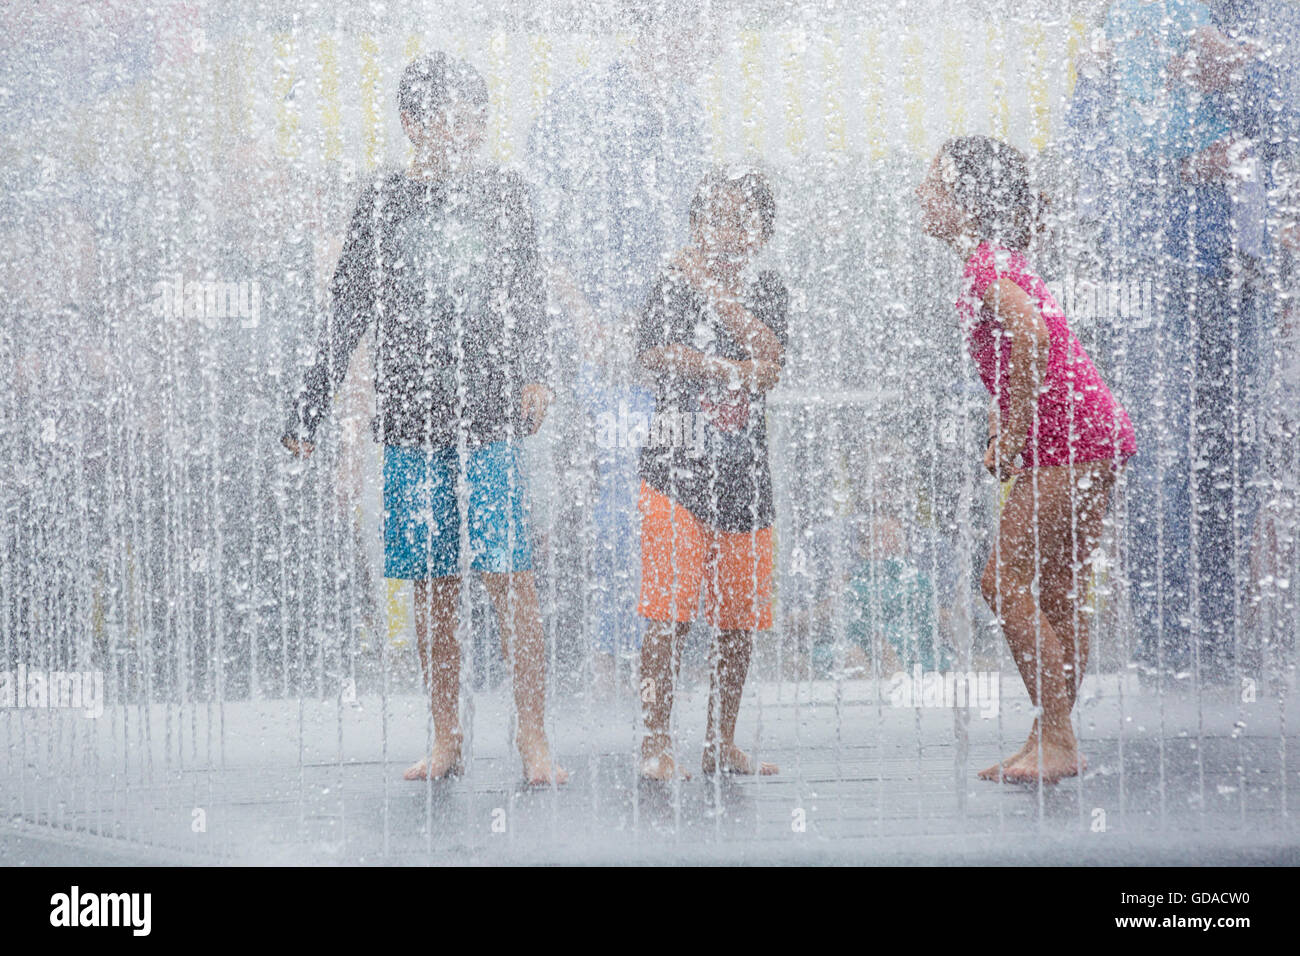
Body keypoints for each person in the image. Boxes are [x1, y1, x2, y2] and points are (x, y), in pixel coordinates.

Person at [282, 52, 566, 786]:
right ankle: (447, 737)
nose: (465, 128)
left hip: (493, 411)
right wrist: (310, 404)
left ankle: (533, 739)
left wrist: (537, 371)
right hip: (410, 420)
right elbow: (347, 309)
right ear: (413, 122)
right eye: (449, 113)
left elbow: (528, 289)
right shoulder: (382, 202)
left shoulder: (504, 194)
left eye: (475, 114)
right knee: (434, 582)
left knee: (511, 575)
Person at [916, 136, 1138, 784]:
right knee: (1059, 590)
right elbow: (1027, 351)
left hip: (1069, 441)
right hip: (1090, 433)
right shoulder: (992, 259)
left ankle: (1060, 735)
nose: (921, 197)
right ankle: (1050, 735)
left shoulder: (986, 266)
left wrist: (1013, 431)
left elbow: (1034, 336)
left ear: (965, 202)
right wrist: (1005, 415)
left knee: (1002, 581)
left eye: (933, 186)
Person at [1066, 1, 1268, 685]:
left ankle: (1218, 634)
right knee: (1158, 453)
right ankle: (1164, 633)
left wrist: (1244, 73)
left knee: (1232, 460)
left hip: (1241, 276)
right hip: (1153, 274)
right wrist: (1180, 168)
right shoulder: (1123, 22)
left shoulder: (1258, 23)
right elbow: (1086, 160)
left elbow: (1280, 135)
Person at [527, 0, 712, 697]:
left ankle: (667, 648)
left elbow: (697, 227)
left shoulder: (688, 109)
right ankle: (613, 651)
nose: (703, 39)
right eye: (692, 26)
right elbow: (542, 227)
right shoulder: (582, 103)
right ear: (654, 27)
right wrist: (585, 320)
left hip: (676, 336)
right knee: (618, 492)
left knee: (677, 489)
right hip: (604, 338)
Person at [635, 168, 786, 780]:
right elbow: (651, 358)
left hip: (746, 478)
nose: (727, 231)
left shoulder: (768, 286)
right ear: (695, 226)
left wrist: (715, 297)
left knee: (737, 620)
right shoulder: (670, 285)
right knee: (666, 615)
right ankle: (654, 741)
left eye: (741, 220)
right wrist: (732, 366)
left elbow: (772, 365)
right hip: (674, 472)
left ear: (760, 232)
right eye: (715, 218)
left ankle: (720, 742)